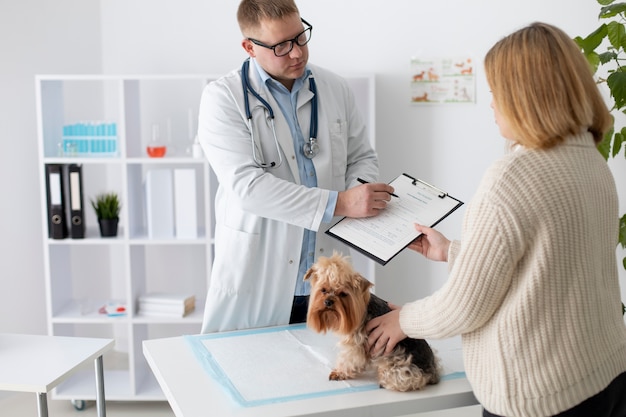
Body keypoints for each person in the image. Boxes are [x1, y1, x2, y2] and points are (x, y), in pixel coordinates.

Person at [366, 22, 626, 417]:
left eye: (496, 92)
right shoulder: (592, 161)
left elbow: (465, 306)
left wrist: (403, 320)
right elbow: (549, 263)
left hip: (542, 396)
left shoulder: (512, 176)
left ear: (525, 98)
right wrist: (453, 251)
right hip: (605, 373)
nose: (491, 104)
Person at [198, 0, 394, 333]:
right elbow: (248, 188)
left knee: (331, 374)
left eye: (301, 37)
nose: (297, 53)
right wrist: (341, 203)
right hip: (260, 277)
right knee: (255, 373)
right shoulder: (223, 98)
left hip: (326, 278)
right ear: (249, 47)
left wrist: (360, 196)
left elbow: (361, 156)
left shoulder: (334, 88)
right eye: (281, 46)